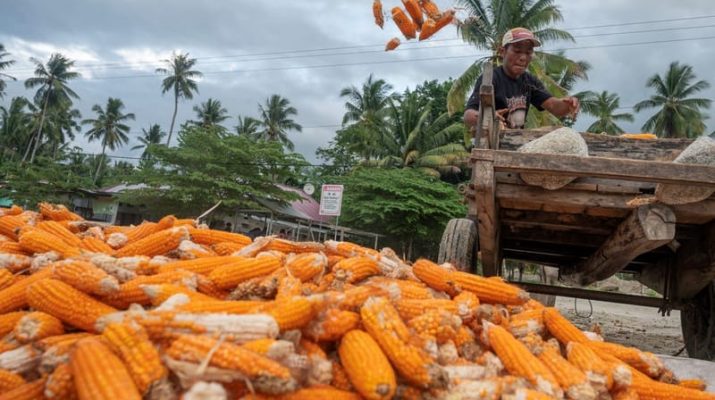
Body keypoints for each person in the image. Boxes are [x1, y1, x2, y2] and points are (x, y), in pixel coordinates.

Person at [464, 27, 580, 131]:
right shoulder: (491, 78)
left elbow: (553, 106)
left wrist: (567, 105)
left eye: (528, 52)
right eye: (517, 51)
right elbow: (468, 115)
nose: (523, 58)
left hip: (516, 144)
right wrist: (486, 117)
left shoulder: (529, 81)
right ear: (502, 52)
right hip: (491, 145)